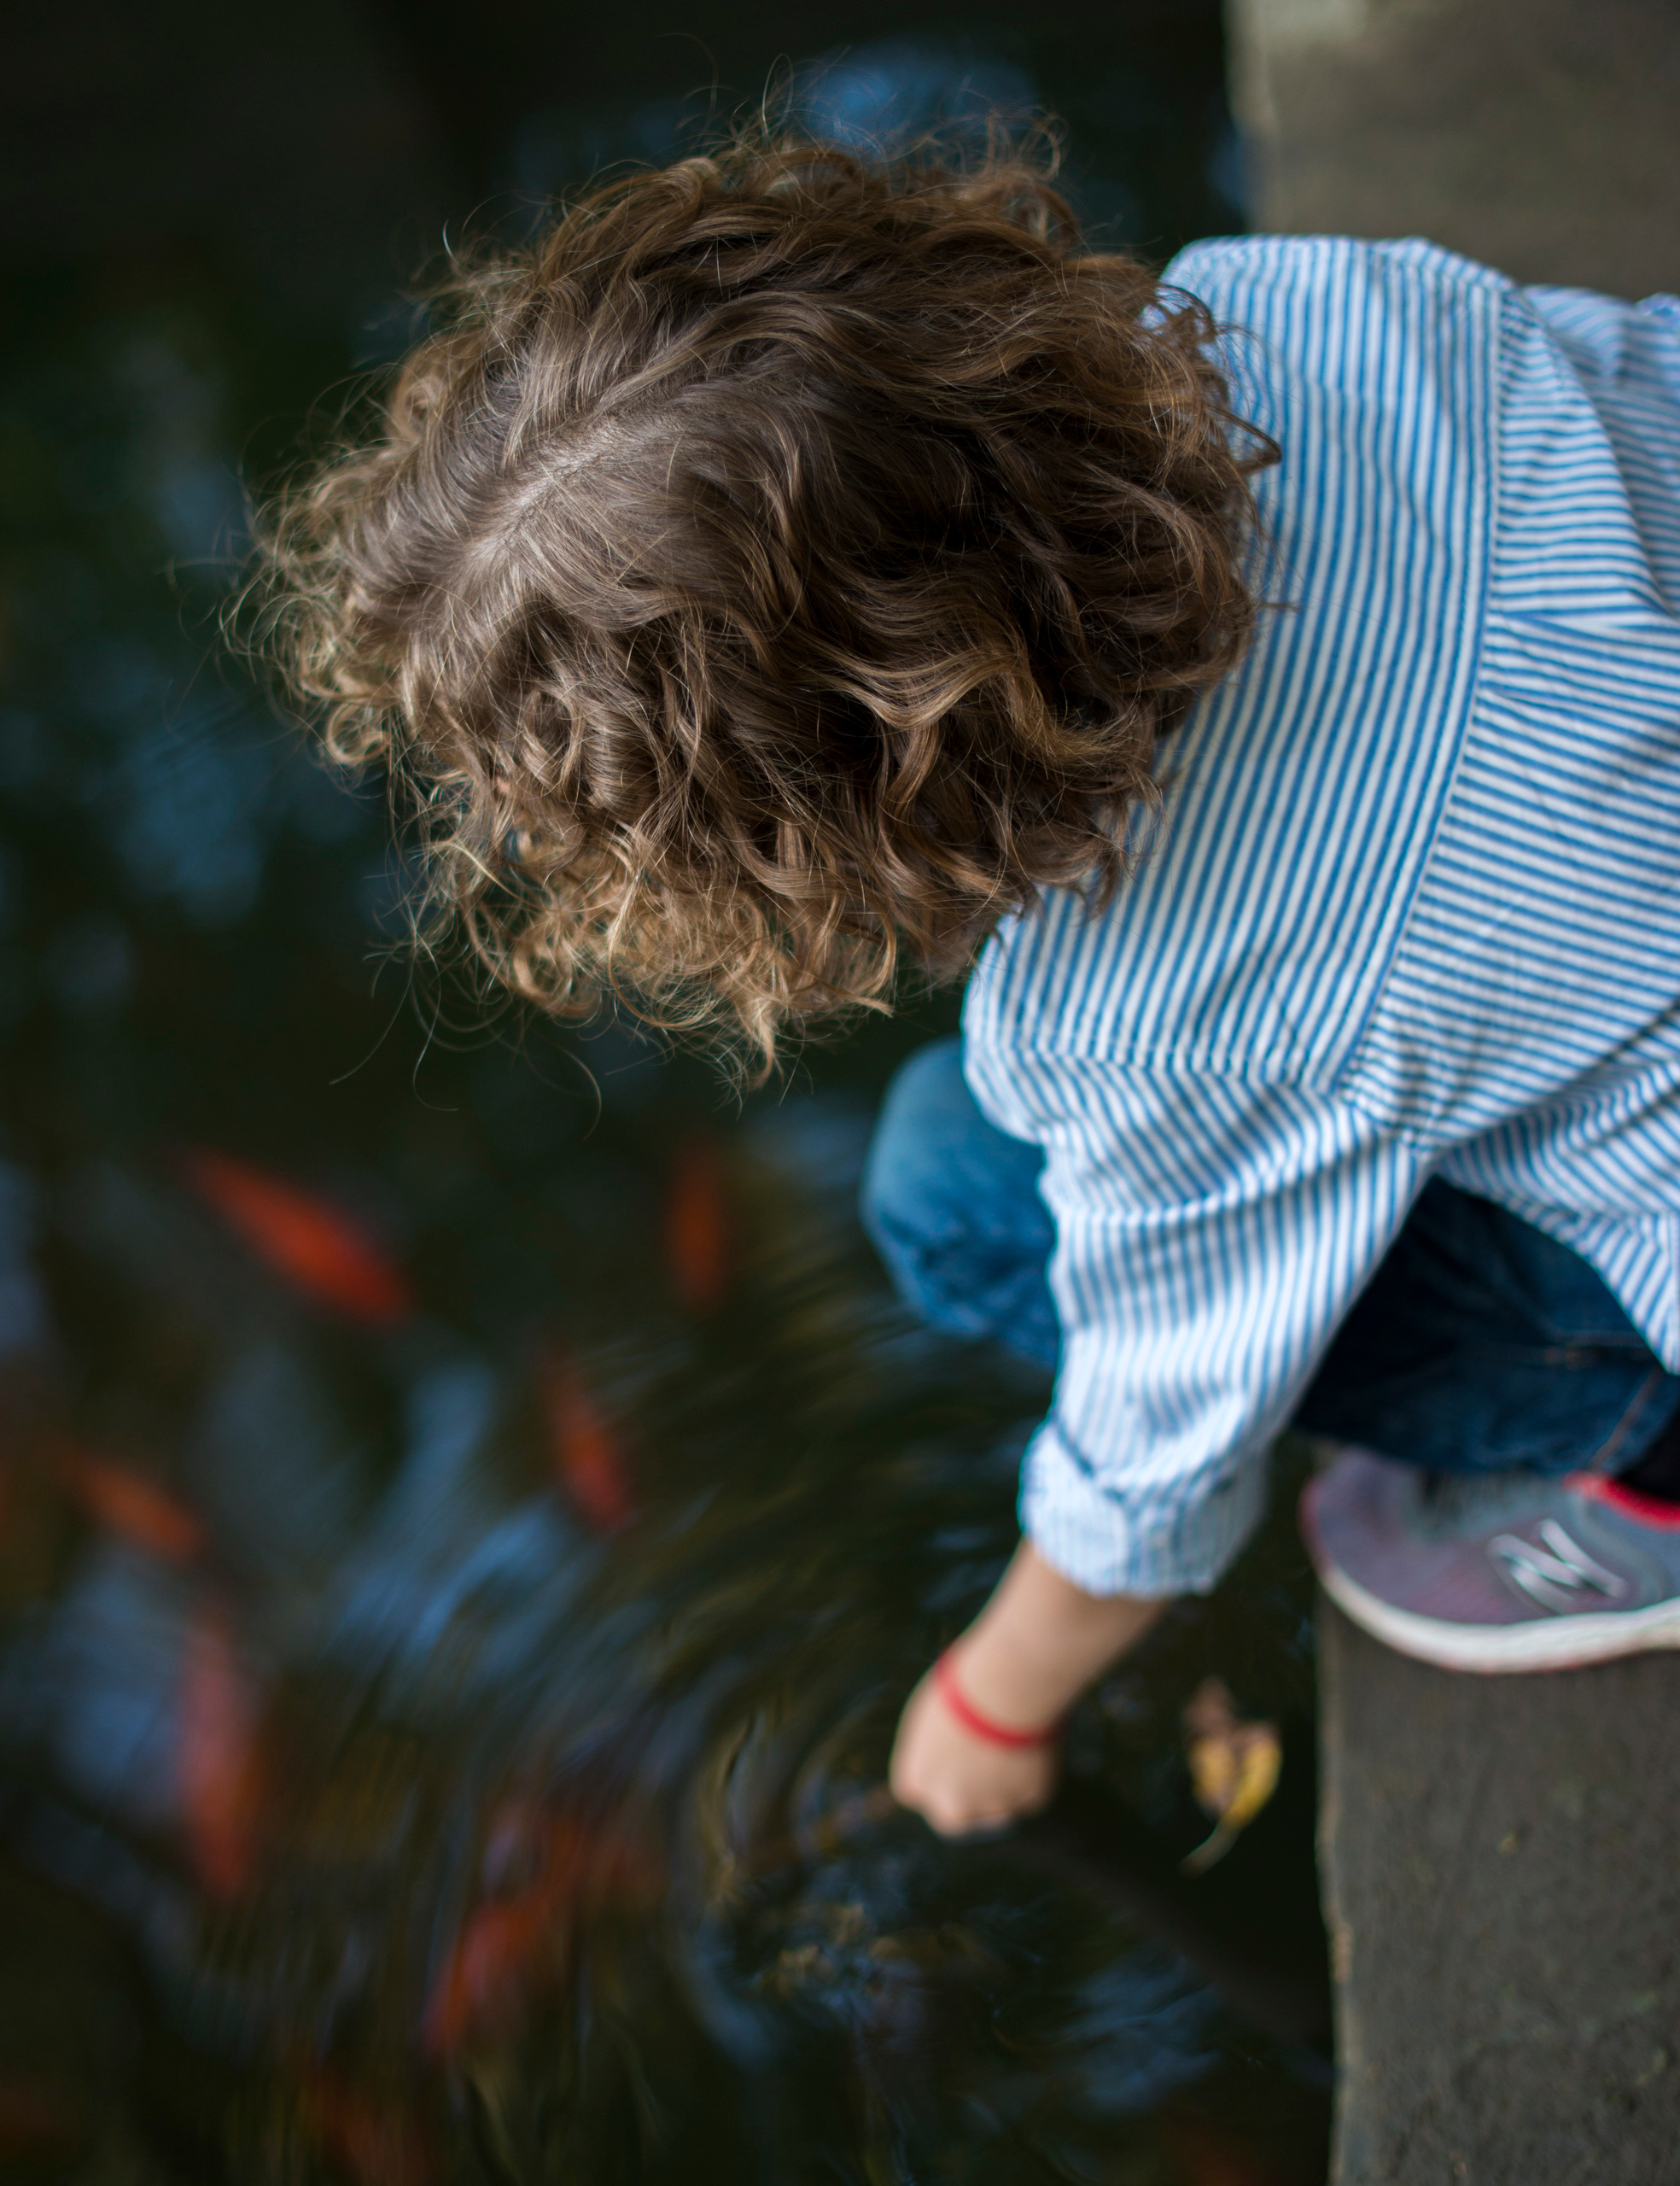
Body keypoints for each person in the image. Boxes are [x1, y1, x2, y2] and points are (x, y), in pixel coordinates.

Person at [254, 135, 1680, 1840]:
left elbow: (1160, 1443)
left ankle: (1640, 1483)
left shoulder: (1153, 1016)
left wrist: (992, 1695)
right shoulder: (1295, 308)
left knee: (956, 1184)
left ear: (815, 831)